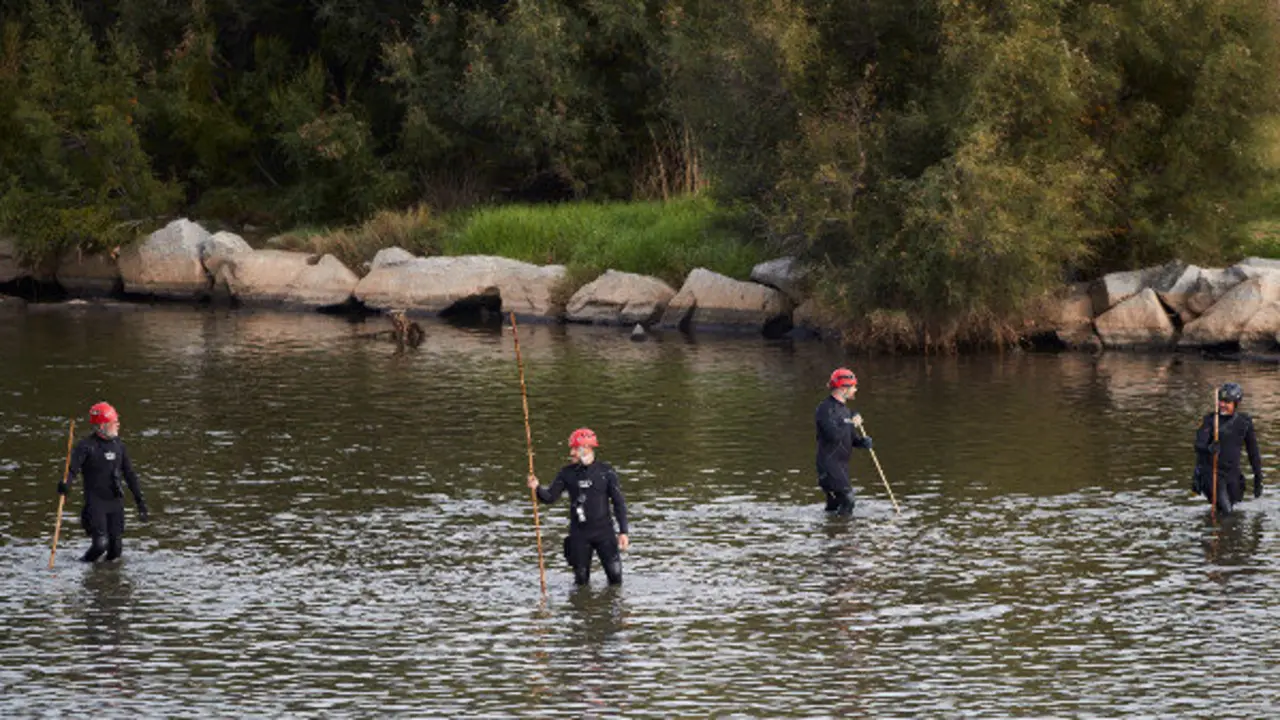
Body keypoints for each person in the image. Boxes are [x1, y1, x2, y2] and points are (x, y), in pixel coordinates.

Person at [527, 428, 630, 586]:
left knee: (616, 579)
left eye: (575, 449)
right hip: (579, 535)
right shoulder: (566, 473)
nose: (571, 453)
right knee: (581, 581)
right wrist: (537, 488)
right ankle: (581, 609)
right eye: (572, 448)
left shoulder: (606, 472)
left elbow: (619, 502)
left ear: (587, 448)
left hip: (605, 533)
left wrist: (623, 531)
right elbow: (549, 498)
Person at [56, 402, 148, 562]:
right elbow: (72, 470)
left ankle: (106, 580)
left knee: (116, 550)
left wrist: (140, 501)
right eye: (114, 422)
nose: (118, 425)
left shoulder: (119, 446)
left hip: (115, 501)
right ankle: (83, 567)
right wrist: (65, 485)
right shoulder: (86, 446)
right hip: (95, 502)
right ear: (102, 425)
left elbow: (130, 474)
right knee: (100, 545)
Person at [1193, 382, 1263, 516]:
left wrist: (1258, 477)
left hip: (1233, 475)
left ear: (1236, 403)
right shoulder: (1210, 420)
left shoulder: (1245, 422)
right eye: (1221, 401)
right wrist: (1209, 448)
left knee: (1227, 511)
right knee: (1227, 514)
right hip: (1212, 473)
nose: (1222, 405)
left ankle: (1217, 532)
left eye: (1227, 402)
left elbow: (1253, 452)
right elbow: (1198, 444)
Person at [815, 368, 873, 516]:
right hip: (828, 466)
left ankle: (832, 533)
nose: (855, 389)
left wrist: (862, 442)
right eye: (853, 386)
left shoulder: (845, 411)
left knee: (834, 507)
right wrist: (850, 422)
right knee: (848, 500)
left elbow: (849, 438)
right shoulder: (825, 409)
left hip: (841, 467)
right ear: (843, 388)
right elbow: (833, 435)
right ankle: (843, 535)